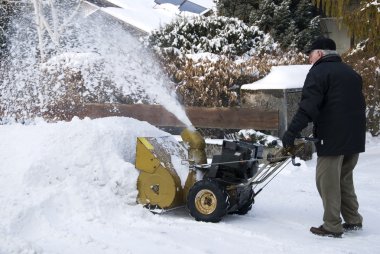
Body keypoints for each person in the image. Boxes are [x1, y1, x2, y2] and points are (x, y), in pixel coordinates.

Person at [282, 37, 366, 238]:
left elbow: (307, 107)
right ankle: (353, 219)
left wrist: (291, 132)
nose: (309, 59)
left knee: (326, 182)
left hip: (332, 137)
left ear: (319, 53)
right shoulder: (351, 73)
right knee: (344, 179)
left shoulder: (319, 72)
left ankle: (332, 225)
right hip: (354, 136)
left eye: (310, 55)